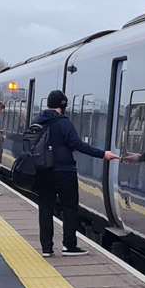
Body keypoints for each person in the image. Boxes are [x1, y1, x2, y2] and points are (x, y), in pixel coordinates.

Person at [32, 90, 118, 256]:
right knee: (69, 208)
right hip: (64, 171)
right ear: (62, 105)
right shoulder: (63, 123)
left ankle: (47, 248)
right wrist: (103, 154)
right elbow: (77, 144)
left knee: (45, 209)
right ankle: (69, 246)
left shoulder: (37, 121)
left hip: (43, 171)